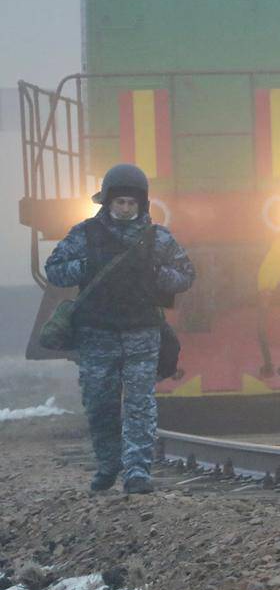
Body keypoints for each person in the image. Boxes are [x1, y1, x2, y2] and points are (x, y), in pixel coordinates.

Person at [44, 163, 195, 494]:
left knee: (140, 405)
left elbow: (186, 274)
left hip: (142, 334)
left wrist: (158, 275)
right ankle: (108, 464)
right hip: (96, 335)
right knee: (101, 405)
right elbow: (54, 270)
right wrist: (86, 266)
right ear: (107, 202)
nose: (126, 208)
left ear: (141, 204)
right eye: (120, 202)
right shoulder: (84, 235)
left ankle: (137, 471)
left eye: (132, 203)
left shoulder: (157, 238)